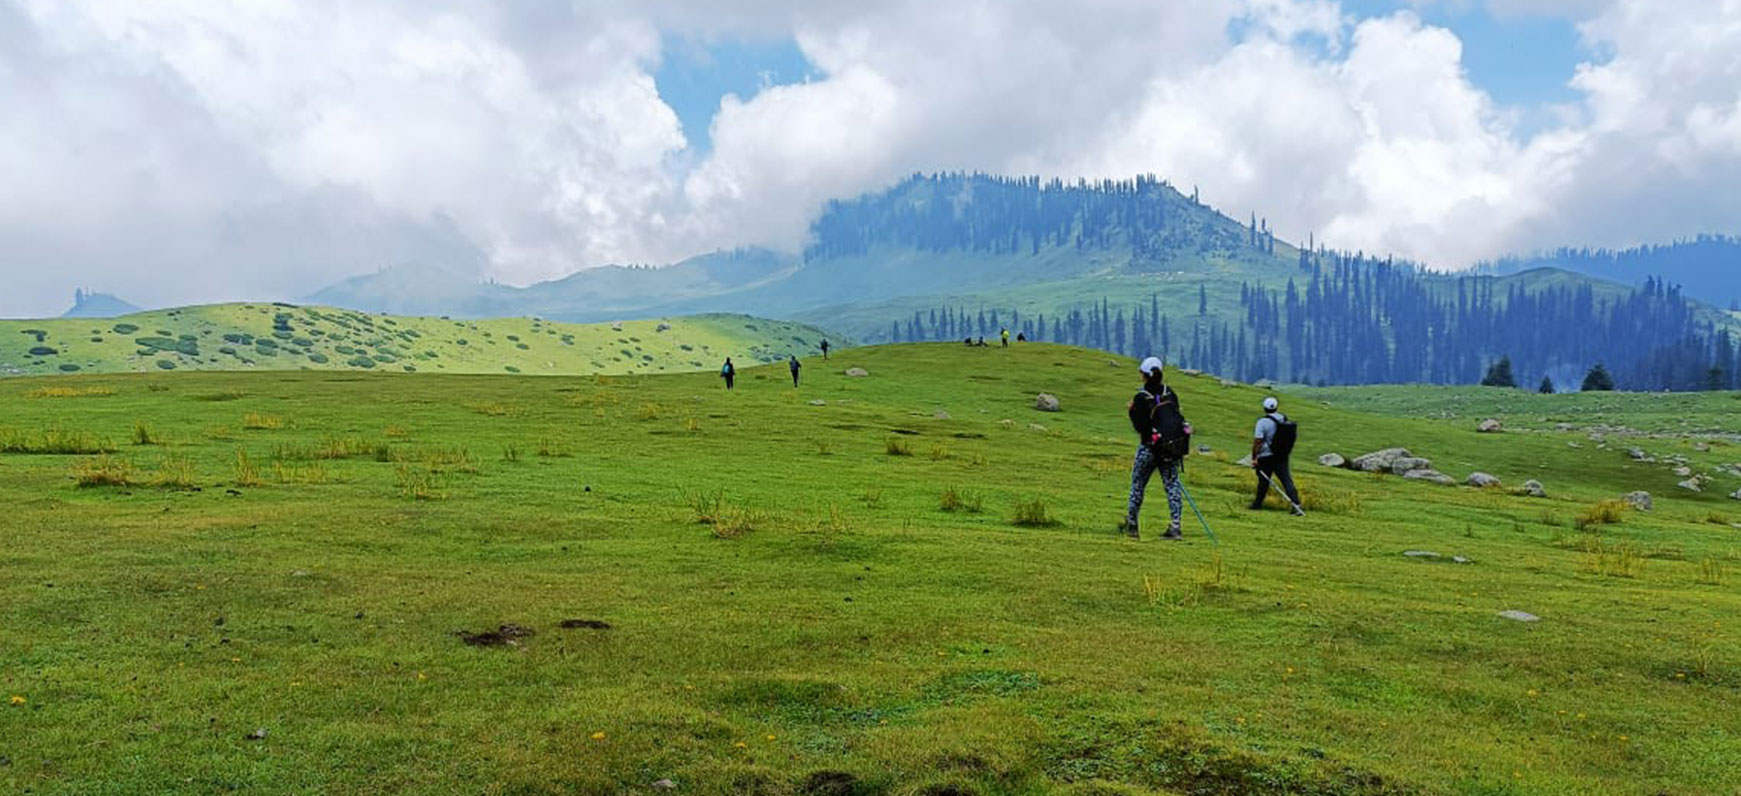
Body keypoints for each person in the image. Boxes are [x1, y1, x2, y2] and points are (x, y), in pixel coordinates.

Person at [1122, 357, 1190, 540]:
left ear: (1143, 375)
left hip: (1148, 448)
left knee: (1138, 486)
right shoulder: (1170, 393)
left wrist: (1131, 411)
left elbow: (1140, 426)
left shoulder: (1141, 396)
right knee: (1172, 486)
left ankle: (1132, 526)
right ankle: (1176, 526)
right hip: (1169, 449)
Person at [1250, 397, 1303, 515]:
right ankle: (1296, 504)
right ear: (1276, 407)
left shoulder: (1262, 422)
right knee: (1286, 480)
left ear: (1264, 408)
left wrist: (1254, 457)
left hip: (1266, 456)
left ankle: (1257, 504)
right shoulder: (1282, 418)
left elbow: (1258, 441)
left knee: (1264, 481)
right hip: (1281, 455)